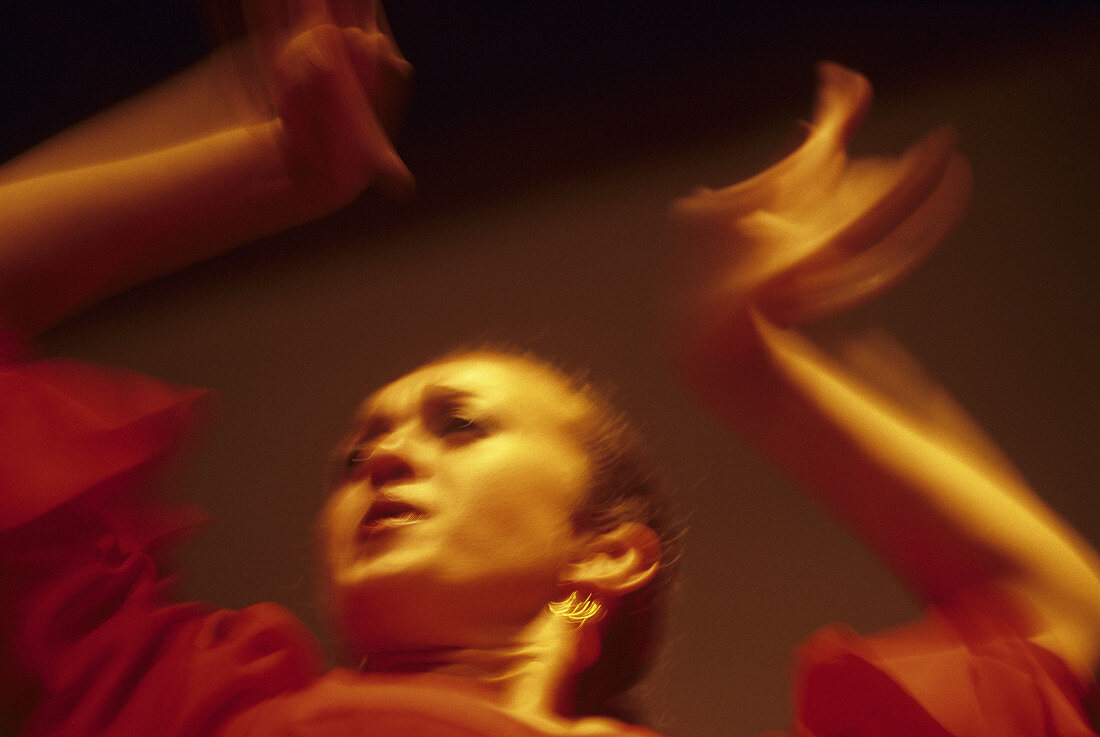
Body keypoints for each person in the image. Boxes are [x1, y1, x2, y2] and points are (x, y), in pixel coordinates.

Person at [1, 2, 1098, 735]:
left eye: (459, 424)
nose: (380, 449)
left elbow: (1059, 623)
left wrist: (753, 364)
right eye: (353, 449)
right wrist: (260, 159)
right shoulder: (200, 702)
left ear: (610, 552)